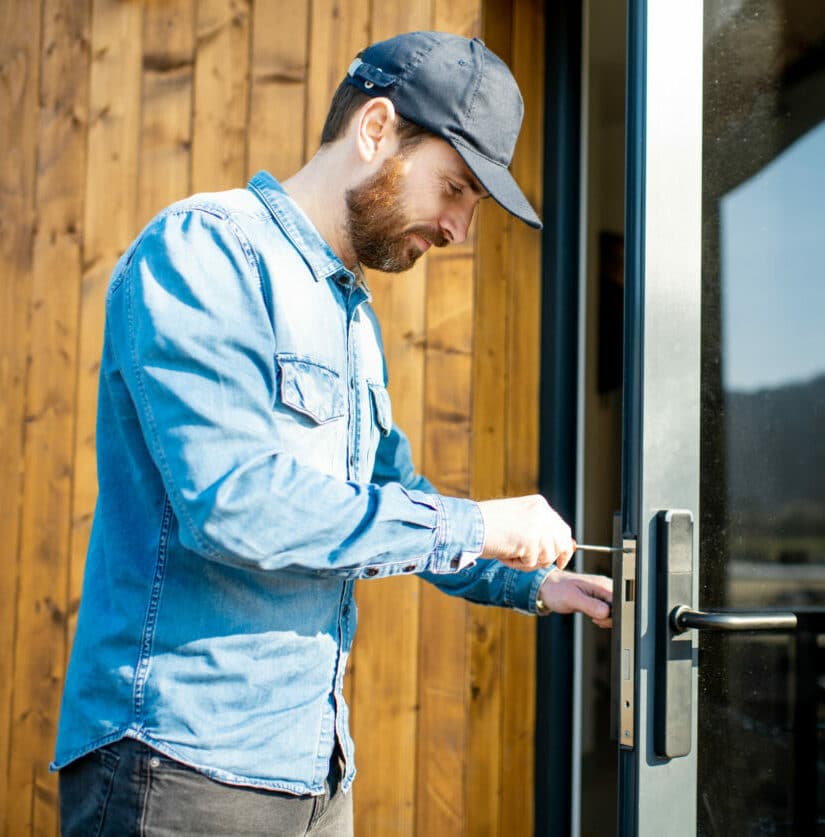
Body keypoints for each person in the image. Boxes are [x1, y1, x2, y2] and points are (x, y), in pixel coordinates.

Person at [53, 31, 612, 836]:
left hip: (314, 768)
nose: (459, 228)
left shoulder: (350, 312)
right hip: (178, 769)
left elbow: (390, 502)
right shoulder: (206, 249)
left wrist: (523, 579)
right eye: (454, 188)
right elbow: (236, 504)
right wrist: (481, 524)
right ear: (375, 129)